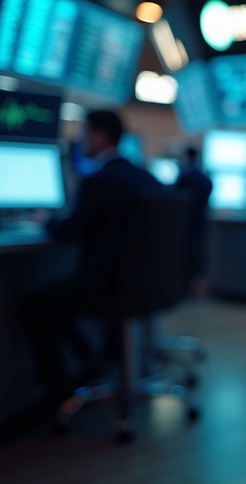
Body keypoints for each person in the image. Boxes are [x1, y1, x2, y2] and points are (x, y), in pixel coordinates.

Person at [20, 110, 161, 405]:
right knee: (53, 305)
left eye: (83, 132)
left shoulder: (99, 180)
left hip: (107, 283)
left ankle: (59, 391)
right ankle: (89, 361)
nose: (80, 139)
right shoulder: (148, 177)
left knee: (35, 308)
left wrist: (44, 220)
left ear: (100, 135)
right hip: (147, 284)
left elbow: (69, 231)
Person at [174, 147, 213, 287]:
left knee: (186, 253)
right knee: (198, 252)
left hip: (186, 222)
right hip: (201, 221)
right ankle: (196, 281)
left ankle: (186, 283)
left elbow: (175, 196)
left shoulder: (184, 177)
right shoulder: (204, 178)